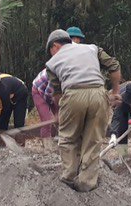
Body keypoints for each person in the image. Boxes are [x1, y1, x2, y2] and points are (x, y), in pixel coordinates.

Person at [44, 29, 122, 191]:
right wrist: (115, 92)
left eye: (50, 51)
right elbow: (114, 65)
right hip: (98, 94)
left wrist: (60, 113)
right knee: (93, 140)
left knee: (68, 138)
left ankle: (69, 177)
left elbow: (58, 93)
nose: (51, 55)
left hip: (72, 95)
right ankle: (87, 182)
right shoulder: (92, 48)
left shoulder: (52, 63)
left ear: (55, 46)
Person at [31, 68, 57, 138]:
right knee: (47, 121)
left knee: (61, 119)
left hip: (52, 93)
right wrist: (56, 112)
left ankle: (58, 141)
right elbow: (48, 94)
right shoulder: (56, 75)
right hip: (39, 91)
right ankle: (47, 144)